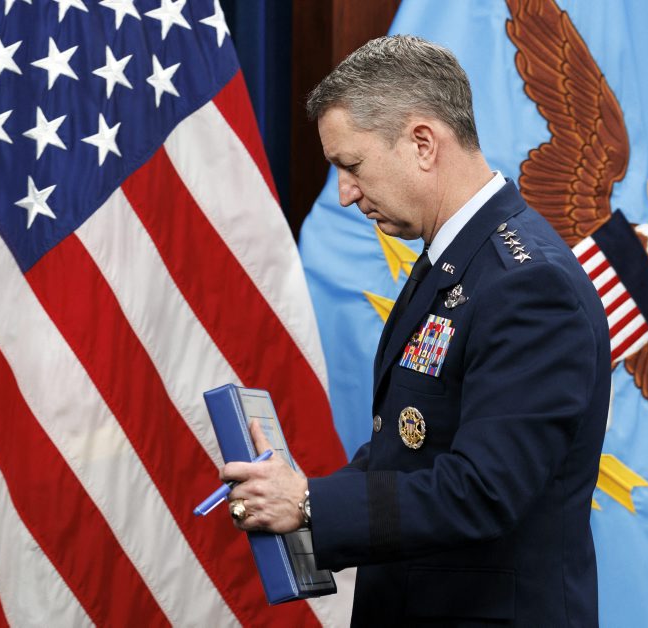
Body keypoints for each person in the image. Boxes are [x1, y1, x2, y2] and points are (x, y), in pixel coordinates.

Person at [221, 35, 611, 626]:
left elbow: (483, 491)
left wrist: (309, 502)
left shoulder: (528, 284)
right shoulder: (457, 261)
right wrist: (296, 495)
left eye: (352, 166)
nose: (346, 194)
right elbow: (413, 449)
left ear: (423, 143)